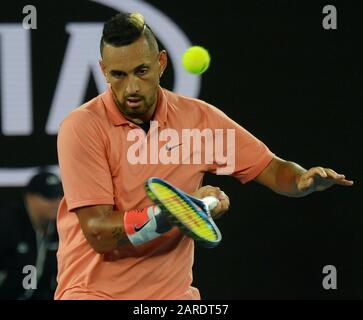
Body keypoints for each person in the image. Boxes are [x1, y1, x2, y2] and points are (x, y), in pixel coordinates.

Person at [55, 12, 354, 300]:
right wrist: (179, 211)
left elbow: (273, 170)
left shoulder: (199, 119)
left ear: (161, 63)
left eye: (141, 71)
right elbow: (98, 233)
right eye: (118, 75)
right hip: (92, 293)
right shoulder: (81, 127)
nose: (131, 87)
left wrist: (301, 180)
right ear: (104, 71)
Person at [0, 171, 63, 300]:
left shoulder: (60, 226)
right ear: (29, 197)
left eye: (58, 196)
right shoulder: (7, 222)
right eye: (48, 197)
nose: (55, 202)